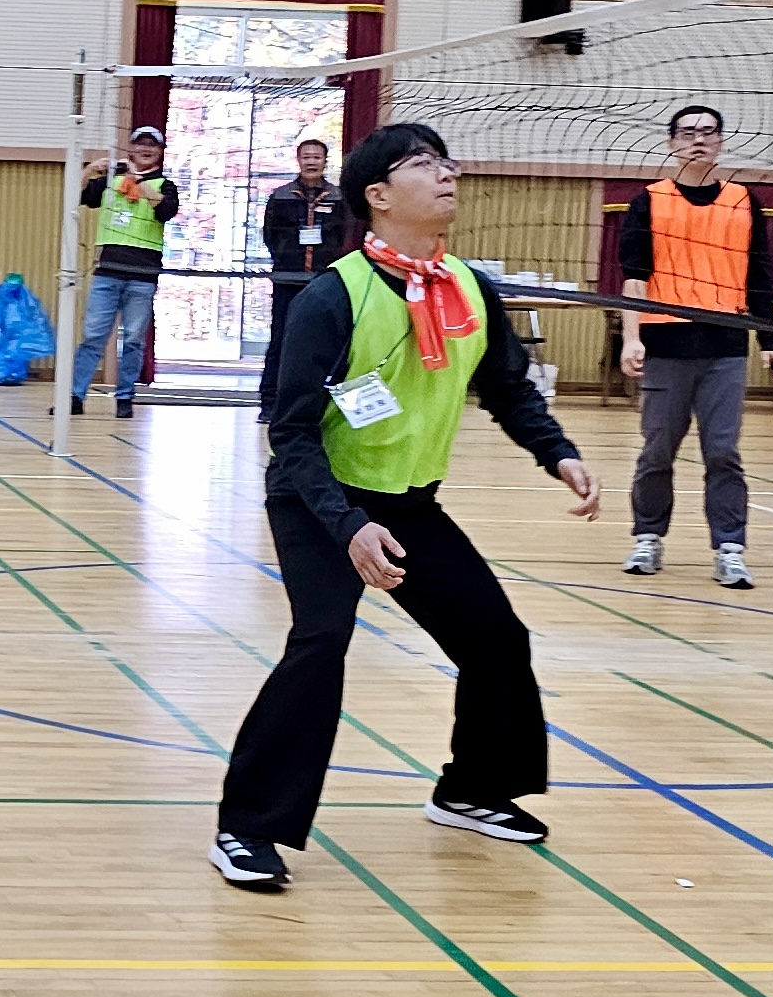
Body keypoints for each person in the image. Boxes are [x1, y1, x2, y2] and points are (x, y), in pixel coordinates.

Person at [211, 123, 600, 893]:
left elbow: (507, 387)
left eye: (445, 161)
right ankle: (246, 826)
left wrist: (556, 451)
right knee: (321, 640)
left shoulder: (468, 288)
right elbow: (291, 434)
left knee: (495, 638)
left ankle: (471, 790)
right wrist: (348, 525)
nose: (446, 173)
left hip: (410, 503)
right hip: (319, 501)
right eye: (422, 164)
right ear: (378, 196)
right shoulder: (332, 296)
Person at [617, 104, 773, 589]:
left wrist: (770, 339)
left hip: (724, 347)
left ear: (720, 142)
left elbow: (759, 275)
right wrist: (631, 337)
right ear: (672, 143)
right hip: (664, 347)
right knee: (657, 452)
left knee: (723, 453)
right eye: (688, 132)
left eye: (708, 132)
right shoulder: (648, 201)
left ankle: (730, 548)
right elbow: (633, 277)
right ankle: (648, 537)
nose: (698, 140)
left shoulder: (743, 201)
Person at [72, 126, 178, 420]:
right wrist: (89, 170)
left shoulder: (166, 185)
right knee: (93, 336)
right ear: (130, 148)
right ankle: (75, 396)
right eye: (139, 144)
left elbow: (165, 211)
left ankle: (125, 397)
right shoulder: (110, 180)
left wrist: (137, 179)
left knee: (133, 339)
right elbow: (77, 196)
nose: (145, 149)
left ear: (160, 151)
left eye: (152, 145)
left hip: (143, 275)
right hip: (107, 271)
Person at [257, 137, 346, 423]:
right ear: (298, 160)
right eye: (306, 157)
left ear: (325, 161)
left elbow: (343, 237)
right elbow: (269, 235)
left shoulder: (337, 197)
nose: (311, 162)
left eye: (316, 157)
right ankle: (270, 403)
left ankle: (318, 404)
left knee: (324, 343)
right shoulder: (281, 196)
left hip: (322, 283)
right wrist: (287, 261)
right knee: (279, 342)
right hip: (287, 281)